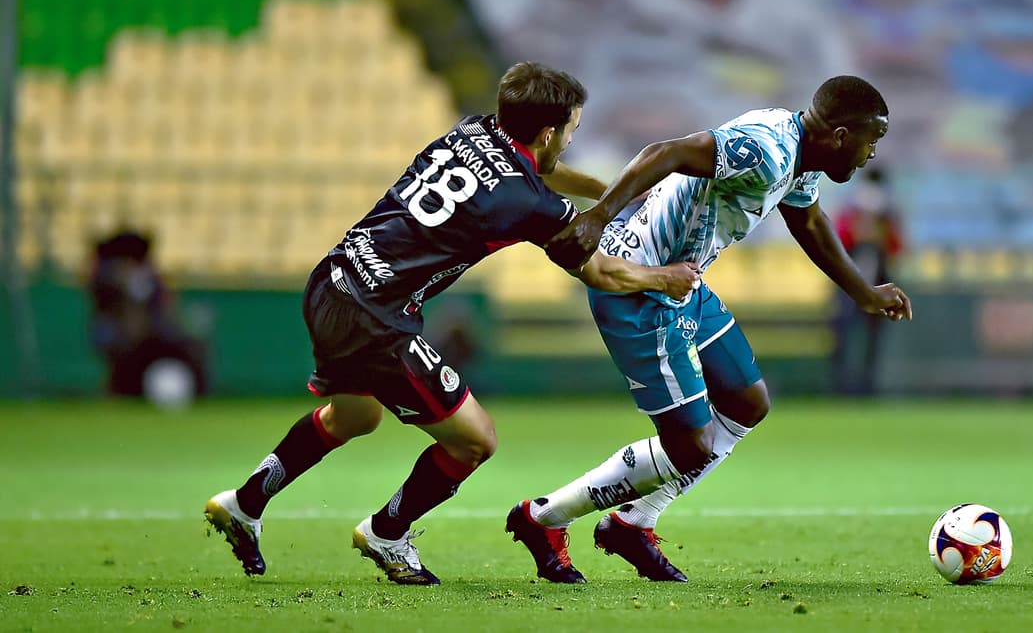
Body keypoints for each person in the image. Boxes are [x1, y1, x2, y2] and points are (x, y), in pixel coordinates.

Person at [203, 62, 700, 585]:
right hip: (377, 318)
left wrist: (606, 191)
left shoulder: (473, 130)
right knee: (474, 440)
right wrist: (663, 278)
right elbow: (598, 271)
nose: (571, 140)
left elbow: (536, 169)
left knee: (354, 417)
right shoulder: (528, 202)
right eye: (572, 130)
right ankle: (387, 533)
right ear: (549, 131)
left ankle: (244, 502)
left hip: (334, 280)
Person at [505, 75, 912, 584]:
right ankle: (543, 517)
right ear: (839, 135)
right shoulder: (767, 151)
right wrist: (598, 217)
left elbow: (806, 221)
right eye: (871, 139)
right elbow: (667, 151)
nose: (872, 153)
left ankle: (634, 521)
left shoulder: (799, 153)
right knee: (689, 446)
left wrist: (865, 292)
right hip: (641, 288)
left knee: (747, 402)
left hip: (683, 284)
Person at [88, 229, 208, 402]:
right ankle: (119, 390)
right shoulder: (108, 278)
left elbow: (165, 307)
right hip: (122, 335)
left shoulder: (151, 279)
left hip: (152, 334)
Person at [831, 166, 905, 396]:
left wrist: (879, 230)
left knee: (872, 339)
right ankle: (841, 385)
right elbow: (837, 242)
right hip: (849, 283)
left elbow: (896, 248)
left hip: (878, 281)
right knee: (843, 334)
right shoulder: (850, 212)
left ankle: (867, 385)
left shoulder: (888, 217)